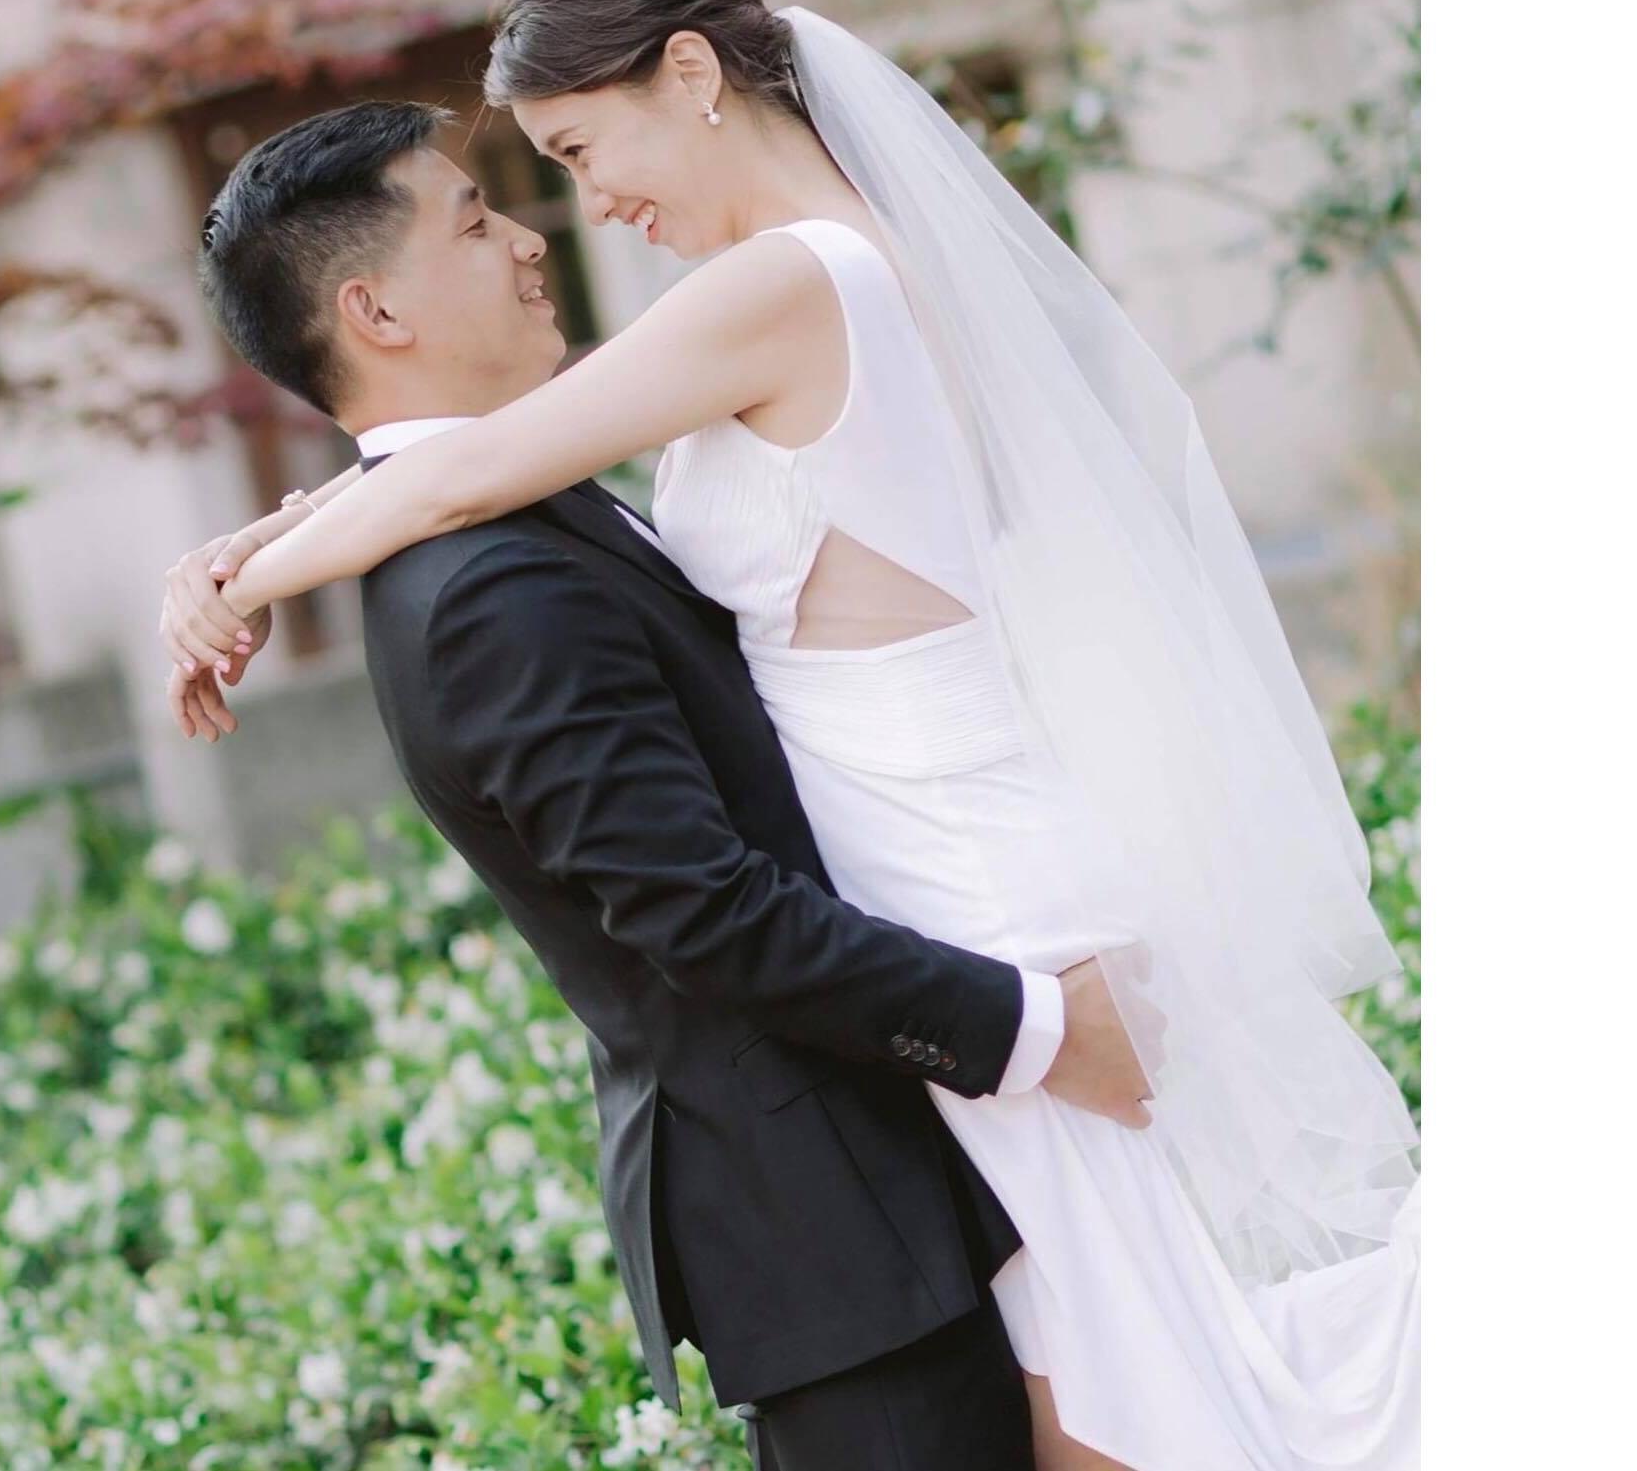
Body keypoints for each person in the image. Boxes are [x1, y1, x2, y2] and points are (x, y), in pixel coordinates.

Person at [168, 0, 1421, 1470]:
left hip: (968, 894)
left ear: (693, 75)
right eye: (524, 183)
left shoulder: (787, 281)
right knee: (1127, 1393)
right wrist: (259, 542)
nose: (576, 212)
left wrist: (234, 583)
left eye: (575, 150)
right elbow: (463, 465)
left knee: (1136, 1409)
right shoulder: (799, 280)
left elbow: (465, 468)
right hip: (941, 891)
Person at [190, 99, 1160, 1471]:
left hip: (896, 1178)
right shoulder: (488, 591)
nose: (530, 239)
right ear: (375, 310)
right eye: (473, 220)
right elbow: (701, 913)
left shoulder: (503, 505)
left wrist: (249, 551)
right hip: (831, 1227)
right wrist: (1039, 1030)